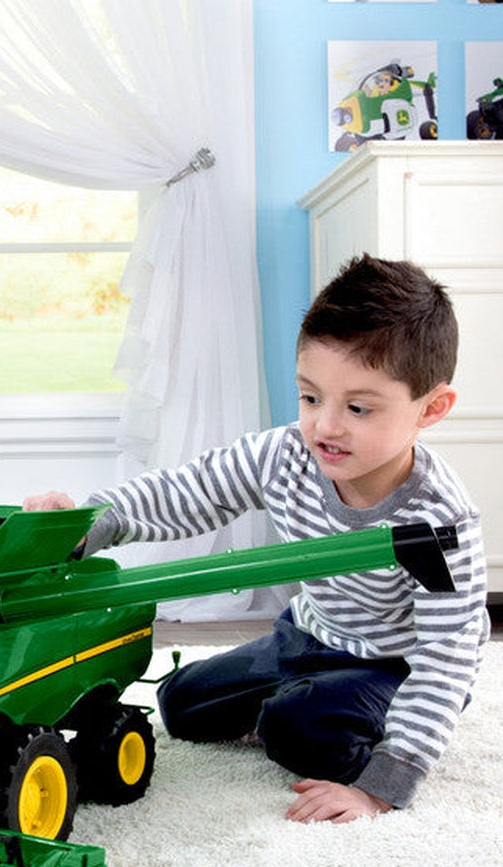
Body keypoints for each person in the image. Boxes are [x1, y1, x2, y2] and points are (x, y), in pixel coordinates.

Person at [26, 255, 489, 824]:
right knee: (180, 705)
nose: (326, 427)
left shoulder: (441, 520)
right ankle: (295, 700)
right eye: (310, 397)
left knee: (300, 730)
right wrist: (95, 522)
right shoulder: (285, 454)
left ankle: (327, 716)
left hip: (392, 667)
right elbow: (188, 491)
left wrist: (380, 787)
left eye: (359, 408)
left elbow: (448, 656)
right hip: (306, 637)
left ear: (432, 408)